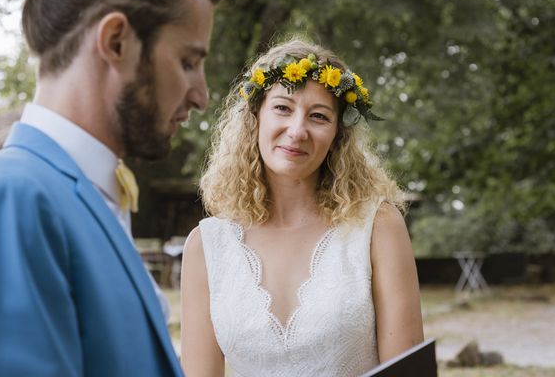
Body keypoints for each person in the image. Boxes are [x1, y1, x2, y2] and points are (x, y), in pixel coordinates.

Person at [0, 0, 227, 376]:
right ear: (116, 41)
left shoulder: (86, 195)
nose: (201, 95)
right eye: (188, 62)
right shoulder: (15, 197)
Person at [180, 39, 424, 376]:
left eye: (319, 116)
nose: (297, 131)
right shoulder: (206, 247)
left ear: (337, 135)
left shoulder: (376, 227)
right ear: (255, 119)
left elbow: (406, 373)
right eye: (282, 108)